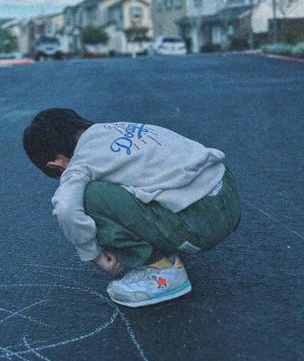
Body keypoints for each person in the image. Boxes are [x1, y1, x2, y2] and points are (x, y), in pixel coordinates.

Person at [22, 108, 241, 307]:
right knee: (130, 179)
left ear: (57, 164)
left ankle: (162, 274)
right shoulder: (116, 128)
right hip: (227, 195)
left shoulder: (78, 164)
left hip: (203, 225)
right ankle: (167, 235)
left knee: (89, 196)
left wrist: (93, 254)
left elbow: (65, 209)